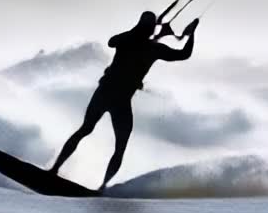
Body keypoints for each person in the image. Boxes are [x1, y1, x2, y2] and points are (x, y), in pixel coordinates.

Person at [50, 11, 200, 191]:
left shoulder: (139, 43)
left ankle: (88, 182)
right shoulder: (150, 47)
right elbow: (183, 53)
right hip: (113, 96)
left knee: (99, 136)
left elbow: (181, 54)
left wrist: (164, 34)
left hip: (110, 95)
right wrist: (190, 35)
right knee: (98, 136)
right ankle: (73, 176)